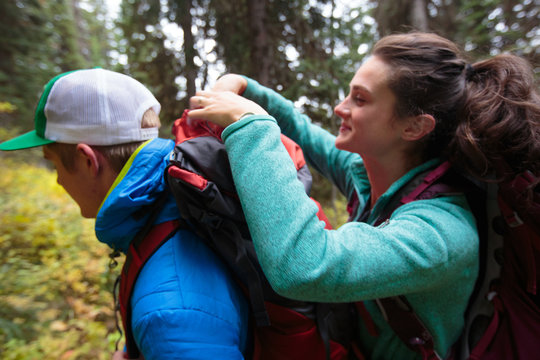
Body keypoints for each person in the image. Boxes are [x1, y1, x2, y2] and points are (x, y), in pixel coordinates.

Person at [186, 32, 540, 359]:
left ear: (414, 126)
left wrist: (251, 126)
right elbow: (304, 133)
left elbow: (305, 266)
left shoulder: (442, 234)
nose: (341, 108)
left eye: (360, 99)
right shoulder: (370, 174)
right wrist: (245, 88)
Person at [0, 68, 250, 360]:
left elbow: (178, 322)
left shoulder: (169, 317)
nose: (58, 180)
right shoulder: (173, 204)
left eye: (54, 164)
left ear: (87, 160)